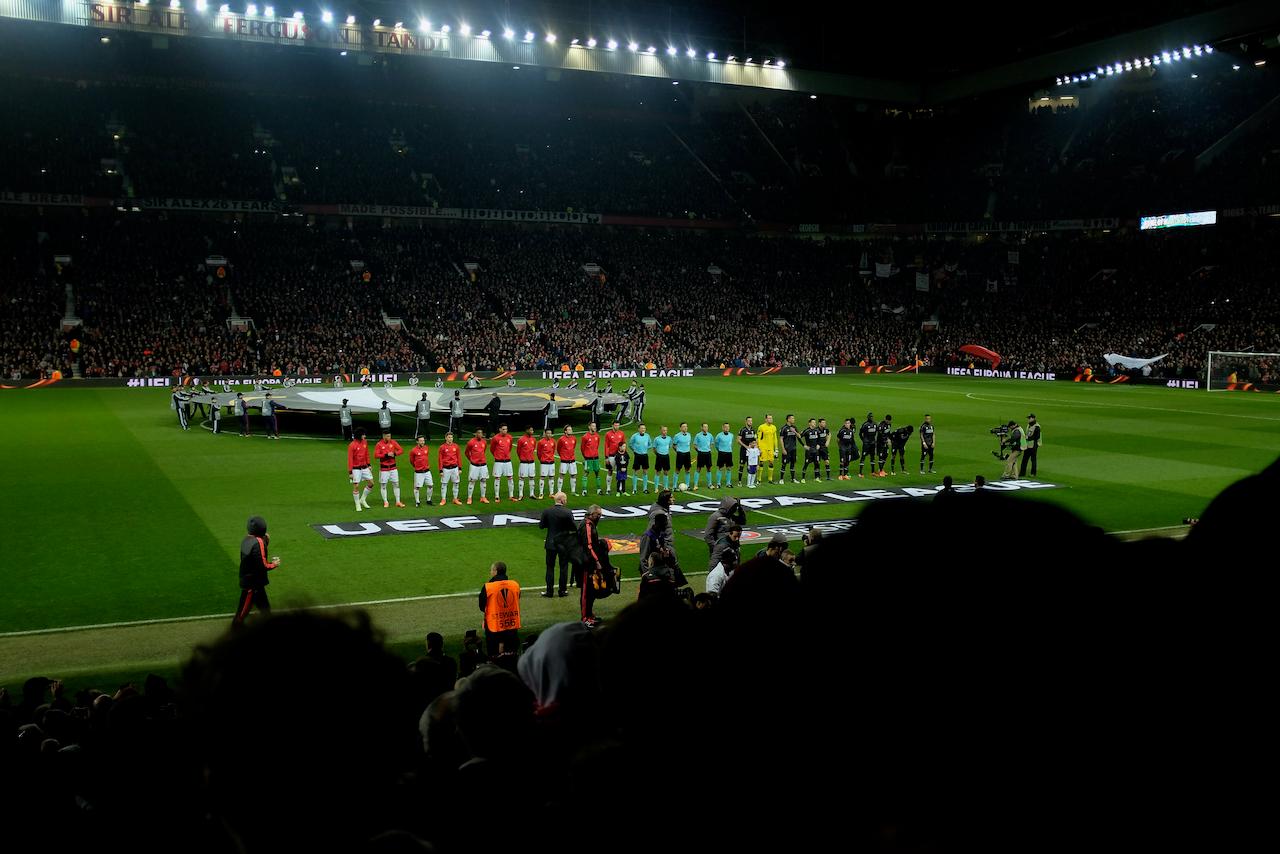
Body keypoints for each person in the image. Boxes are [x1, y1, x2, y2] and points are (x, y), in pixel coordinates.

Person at [232, 515, 279, 627]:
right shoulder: (259, 542)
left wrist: (265, 541)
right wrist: (274, 564)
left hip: (251, 582)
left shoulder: (246, 539)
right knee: (241, 615)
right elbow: (263, 565)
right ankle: (235, 631)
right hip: (252, 586)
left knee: (266, 611)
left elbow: (253, 555)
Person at [575, 505, 615, 628]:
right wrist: (596, 561)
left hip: (588, 561)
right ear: (592, 514)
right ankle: (585, 618)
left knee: (591, 591)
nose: (599, 517)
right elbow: (589, 546)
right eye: (598, 515)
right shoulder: (587, 525)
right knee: (586, 591)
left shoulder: (589, 524)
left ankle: (589, 615)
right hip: (587, 563)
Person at [477, 561, 520, 657]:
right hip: (511, 625)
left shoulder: (488, 587)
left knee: (494, 656)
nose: (490, 572)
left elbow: (481, 606)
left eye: (491, 570)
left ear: (495, 571)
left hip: (494, 627)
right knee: (512, 655)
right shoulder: (515, 585)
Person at [538, 492, 575, 598]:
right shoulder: (567, 512)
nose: (566, 501)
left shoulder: (547, 511)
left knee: (550, 567)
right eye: (566, 499)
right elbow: (573, 528)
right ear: (562, 500)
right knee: (563, 567)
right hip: (564, 544)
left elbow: (541, 526)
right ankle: (562, 590)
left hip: (551, 543)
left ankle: (549, 591)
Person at [374, 430, 405, 508]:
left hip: (393, 468)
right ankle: (385, 501)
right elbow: (376, 455)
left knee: (396, 484)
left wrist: (394, 454)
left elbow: (401, 450)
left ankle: (398, 501)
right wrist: (386, 455)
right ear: (383, 436)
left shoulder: (393, 442)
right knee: (383, 485)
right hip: (384, 469)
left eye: (390, 436)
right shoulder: (379, 444)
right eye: (387, 436)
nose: (389, 438)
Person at [347, 428, 373, 511]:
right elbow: (350, 459)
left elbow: (367, 454)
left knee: (371, 483)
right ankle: (357, 504)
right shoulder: (352, 445)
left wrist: (369, 464)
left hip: (364, 467)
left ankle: (362, 499)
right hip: (356, 468)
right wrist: (350, 472)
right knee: (356, 486)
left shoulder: (365, 442)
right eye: (363, 435)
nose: (365, 436)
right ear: (359, 435)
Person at [489, 423, 515, 503]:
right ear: (500, 429)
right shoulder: (495, 438)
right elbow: (492, 449)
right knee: (497, 478)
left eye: (506, 429)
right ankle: (497, 496)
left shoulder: (509, 437)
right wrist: (497, 456)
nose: (505, 431)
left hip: (507, 461)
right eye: (503, 429)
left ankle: (511, 495)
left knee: (510, 478)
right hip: (498, 462)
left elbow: (509, 447)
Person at [437, 431, 463, 505]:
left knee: (456, 483)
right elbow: (440, 459)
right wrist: (440, 470)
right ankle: (443, 499)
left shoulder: (456, 446)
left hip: (455, 468)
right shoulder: (442, 447)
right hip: (446, 468)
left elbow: (459, 457)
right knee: (444, 484)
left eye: (451, 437)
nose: (450, 439)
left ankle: (455, 499)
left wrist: (460, 467)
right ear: (445, 438)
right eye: (449, 437)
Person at [465, 429, 490, 504]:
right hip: (474, 465)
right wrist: (472, 460)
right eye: (478, 433)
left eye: (481, 433)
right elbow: (466, 452)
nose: (480, 434)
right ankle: (469, 498)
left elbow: (484, 450)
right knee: (472, 481)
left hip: (483, 465)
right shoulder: (471, 442)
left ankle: (483, 497)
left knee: (483, 480)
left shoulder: (484, 442)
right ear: (475, 433)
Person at [603, 420, 627, 495]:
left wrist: (624, 454)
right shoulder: (608, 434)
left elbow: (624, 444)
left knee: (619, 472)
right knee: (610, 471)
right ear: (612, 425)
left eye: (618, 425)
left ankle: (619, 488)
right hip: (611, 456)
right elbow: (606, 445)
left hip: (619, 456)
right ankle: (608, 488)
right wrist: (606, 457)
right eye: (615, 425)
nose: (617, 426)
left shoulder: (621, 433)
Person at [628, 423, 653, 493]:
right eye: (642, 428)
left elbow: (650, 444)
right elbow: (630, 444)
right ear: (638, 429)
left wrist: (646, 448)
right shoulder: (635, 436)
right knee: (636, 472)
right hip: (637, 455)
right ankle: (634, 489)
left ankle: (645, 488)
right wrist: (634, 450)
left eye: (644, 428)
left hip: (645, 455)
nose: (643, 429)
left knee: (645, 471)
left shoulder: (647, 436)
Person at [409, 436, 434, 507]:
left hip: (427, 471)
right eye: (421, 441)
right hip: (419, 472)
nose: (422, 442)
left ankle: (429, 500)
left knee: (430, 485)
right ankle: (417, 502)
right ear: (417, 441)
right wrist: (416, 466)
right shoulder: (413, 450)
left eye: (423, 440)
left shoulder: (426, 448)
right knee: (417, 487)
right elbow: (411, 461)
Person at [580, 422, 603, 496]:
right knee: (586, 473)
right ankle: (584, 491)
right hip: (588, 458)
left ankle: (599, 490)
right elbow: (582, 448)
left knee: (597, 472)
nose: (594, 427)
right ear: (589, 427)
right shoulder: (585, 437)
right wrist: (585, 457)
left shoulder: (597, 436)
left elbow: (597, 446)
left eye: (595, 426)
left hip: (596, 458)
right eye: (593, 426)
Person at [555, 425, 578, 497]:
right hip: (564, 461)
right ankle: (559, 491)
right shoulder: (561, 439)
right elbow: (558, 449)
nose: (571, 431)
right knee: (562, 475)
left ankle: (573, 491)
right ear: (565, 431)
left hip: (572, 460)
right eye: (569, 429)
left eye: (571, 429)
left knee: (573, 475)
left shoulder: (574, 438)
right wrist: (562, 456)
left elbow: (573, 447)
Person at [516, 426, 538, 501]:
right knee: (522, 478)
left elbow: (533, 448)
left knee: (532, 477)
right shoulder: (521, 439)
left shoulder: (533, 439)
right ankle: (520, 495)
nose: (532, 431)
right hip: (524, 462)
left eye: (532, 430)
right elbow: (518, 451)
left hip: (531, 462)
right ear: (527, 430)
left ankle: (532, 494)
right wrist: (522, 458)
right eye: (531, 430)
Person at [757, 413, 779, 484]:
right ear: (766, 419)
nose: (770, 419)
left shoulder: (774, 427)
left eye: (771, 418)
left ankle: (770, 479)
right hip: (763, 448)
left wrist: (776, 448)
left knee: (771, 463)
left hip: (771, 448)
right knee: (761, 463)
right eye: (769, 418)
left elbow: (775, 438)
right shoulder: (761, 427)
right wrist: (759, 448)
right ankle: (759, 479)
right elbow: (758, 439)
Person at [735, 416, 757, 486]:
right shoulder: (743, 430)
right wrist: (746, 446)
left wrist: (755, 446)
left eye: (751, 421)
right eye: (749, 421)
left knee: (750, 466)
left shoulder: (753, 430)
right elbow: (738, 440)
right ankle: (739, 481)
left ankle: (750, 482)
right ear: (746, 422)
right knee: (742, 465)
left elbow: (755, 440)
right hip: (744, 450)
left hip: (751, 452)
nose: (750, 422)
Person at [779, 414, 800, 484]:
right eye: (792, 418)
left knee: (793, 464)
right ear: (788, 419)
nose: (794, 420)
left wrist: (794, 431)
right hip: (786, 449)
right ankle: (781, 479)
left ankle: (793, 479)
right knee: (784, 464)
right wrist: (783, 449)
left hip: (793, 449)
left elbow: (799, 436)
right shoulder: (784, 428)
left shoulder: (794, 427)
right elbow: (781, 439)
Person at [536, 428, 557, 499]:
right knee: (542, 477)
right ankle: (541, 493)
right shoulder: (541, 442)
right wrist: (542, 459)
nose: (549, 435)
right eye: (547, 433)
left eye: (550, 433)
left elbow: (553, 450)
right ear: (545, 434)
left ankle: (551, 493)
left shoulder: (553, 441)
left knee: (551, 477)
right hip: (544, 462)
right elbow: (538, 453)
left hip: (551, 462)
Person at [714, 422, 736, 488]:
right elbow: (716, 445)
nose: (727, 428)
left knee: (729, 468)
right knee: (720, 468)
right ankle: (718, 483)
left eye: (728, 427)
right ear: (723, 428)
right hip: (721, 453)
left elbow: (731, 444)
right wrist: (720, 450)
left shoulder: (731, 435)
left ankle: (728, 483)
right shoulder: (719, 435)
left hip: (729, 453)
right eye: (725, 427)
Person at [693, 422, 714, 490]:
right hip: (701, 453)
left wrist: (709, 449)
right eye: (704, 427)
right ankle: (695, 485)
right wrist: (699, 451)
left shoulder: (710, 435)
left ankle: (709, 484)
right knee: (698, 468)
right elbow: (695, 445)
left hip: (708, 453)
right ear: (701, 428)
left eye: (707, 427)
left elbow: (712, 443)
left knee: (709, 469)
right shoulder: (698, 435)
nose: (706, 428)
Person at [673, 422, 694, 490]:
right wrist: (678, 451)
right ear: (680, 428)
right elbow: (674, 445)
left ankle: (687, 486)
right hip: (680, 454)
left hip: (687, 454)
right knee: (677, 470)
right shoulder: (677, 436)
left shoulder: (689, 435)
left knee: (688, 470)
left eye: (686, 426)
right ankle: (674, 486)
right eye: (684, 426)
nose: (685, 428)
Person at [652, 426, 673, 491]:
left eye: (666, 430)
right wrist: (658, 454)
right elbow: (654, 448)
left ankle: (666, 487)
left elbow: (669, 446)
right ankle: (656, 488)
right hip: (659, 456)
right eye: (663, 430)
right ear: (661, 431)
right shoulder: (657, 439)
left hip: (666, 456)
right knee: (658, 472)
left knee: (666, 472)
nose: (665, 432)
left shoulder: (669, 438)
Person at [801, 418, 822, 482]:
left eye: (815, 422)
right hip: (809, 450)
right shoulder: (806, 431)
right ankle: (803, 478)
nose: (814, 423)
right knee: (806, 463)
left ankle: (817, 477)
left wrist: (818, 444)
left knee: (817, 463)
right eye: (813, 422)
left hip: (816, 450)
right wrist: (804, 445)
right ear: (809, 423)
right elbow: (799, 437)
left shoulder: (817, 431)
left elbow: (820, 438)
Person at [858, 412, 877, 478]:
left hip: (872, 443)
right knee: (863, 456)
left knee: (872, 457)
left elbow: (876, 432)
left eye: (872, 417)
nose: (871, 418)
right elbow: (860, 434)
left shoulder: (875, 424)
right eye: (870, 417)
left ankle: (872, 472)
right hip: (866, 443)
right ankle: (860, 472)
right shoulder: (865, 425)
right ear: (868, 417)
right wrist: (863, 440)